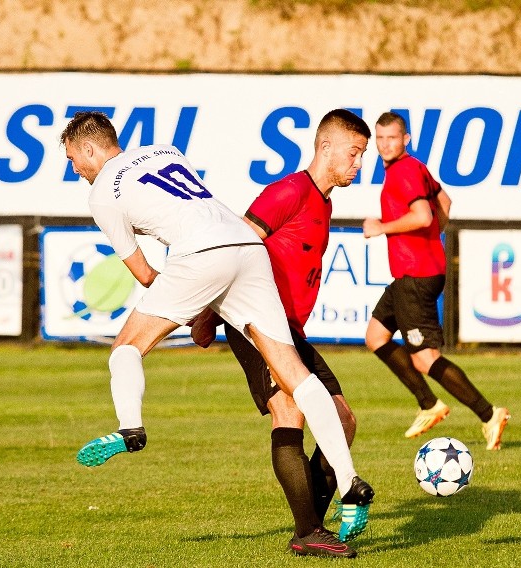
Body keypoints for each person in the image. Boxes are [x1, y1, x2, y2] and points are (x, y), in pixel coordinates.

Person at [59, 110, 374, 554]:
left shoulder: (101, 195)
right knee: (295, 375)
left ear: (90, 148)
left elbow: (144, 271)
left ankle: (130, 428)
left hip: (202, 255)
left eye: (74, 159)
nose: (76, 170)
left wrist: (187, 304)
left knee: (126, 348)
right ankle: (349, 482)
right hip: (246, 247)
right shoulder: (163, 150)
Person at [191, 109, 372, 557]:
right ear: (325, 147)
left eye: (362, 155)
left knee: (342, 419)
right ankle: (309, 529)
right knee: (289, 409)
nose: (358, 164)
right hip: (254, 323)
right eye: (353, 153)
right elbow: (234, 247)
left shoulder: (324, 201)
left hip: (289, 330)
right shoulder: (288, 191)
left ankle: (315, 521)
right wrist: (205, 314)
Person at [362, 111, 511, 450]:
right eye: (380, 138)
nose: (386, 144)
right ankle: (429, 404)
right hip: (412, 273)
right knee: (376, 335)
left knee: (424, 358)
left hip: (416, 275)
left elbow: (424, 214)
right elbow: (445, 202)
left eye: (392, 138)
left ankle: (489, 414)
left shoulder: (403, 172)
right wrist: (431, 237)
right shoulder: (415, 167)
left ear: (406, 139)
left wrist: (381, 228)